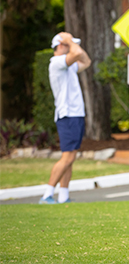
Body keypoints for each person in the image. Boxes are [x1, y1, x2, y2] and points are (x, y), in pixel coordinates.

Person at [39, 32, 91, 204]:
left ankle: (64, 195)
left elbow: (86, 61)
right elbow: (76, 54)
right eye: (67, 45)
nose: (71, 47)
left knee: (71, 157)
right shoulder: (56, 63)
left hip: (75, 115)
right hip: (67, 115)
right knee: (67, 157)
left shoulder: (68, 66)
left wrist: (71, 42)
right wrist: (68, 41)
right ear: (60, 45)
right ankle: (47, 194)